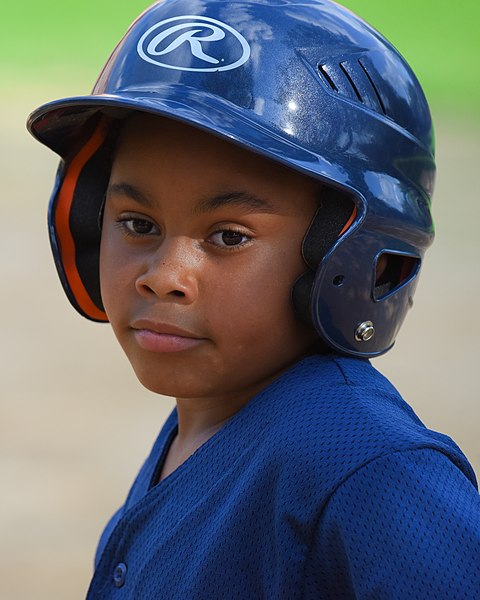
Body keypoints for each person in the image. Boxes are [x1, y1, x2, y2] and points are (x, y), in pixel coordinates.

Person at [28, 0, 480, 598]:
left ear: (349, 253)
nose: (165, 276)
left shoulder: (369, 468)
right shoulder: (210, 416)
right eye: (137, 223)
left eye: (228, 237)